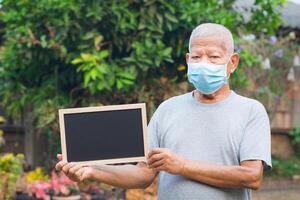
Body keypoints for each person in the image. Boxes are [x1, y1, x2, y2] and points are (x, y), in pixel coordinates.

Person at [56, 23, 271, 200]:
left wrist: (182, 166)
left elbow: (251, 176)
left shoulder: (250, 111)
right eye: (196, 57)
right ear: (188, 60)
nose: (203, 63)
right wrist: (93, 170)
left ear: (232, 62)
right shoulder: (168, 109)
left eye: (213, 57)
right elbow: (142, 173)